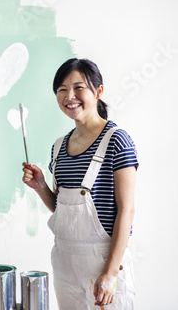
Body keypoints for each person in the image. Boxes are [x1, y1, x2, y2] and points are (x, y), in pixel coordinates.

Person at [22, 58, 138, 309]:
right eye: (62, 89)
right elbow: (62, 209)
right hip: (65, 263)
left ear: (98, 91)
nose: (69, 96)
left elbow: (126, 210)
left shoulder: (117, 141)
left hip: (105, 262)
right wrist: (41, 185)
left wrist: (109, 273)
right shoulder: (59, 147)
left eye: (78, 87)